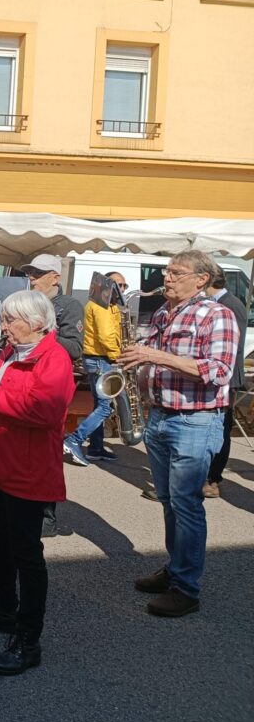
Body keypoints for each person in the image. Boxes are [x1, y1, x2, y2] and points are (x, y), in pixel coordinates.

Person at [0, 290, 75, 676]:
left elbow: (43, 410)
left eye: (11, 321)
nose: (3, 328)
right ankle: (4, 608)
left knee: (27, 554)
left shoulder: (53, 358)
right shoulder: (10, 353)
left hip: (27, 470)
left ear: (37, 324)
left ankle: (29, 638)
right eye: (4, 319)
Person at [118, 250, 238, 618]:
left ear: (201, 279)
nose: (166, 278)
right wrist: (139, 374)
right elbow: (156, 360)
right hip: (161, 417)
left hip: (195, 421)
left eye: (175, 272)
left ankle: (186, 588)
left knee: (186, 504)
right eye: (167, 271)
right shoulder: (163, 313)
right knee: (170, 501)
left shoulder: (218, 315)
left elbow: (219, 371)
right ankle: (175, 569)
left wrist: (155, 357)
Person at [21, 254, 83, 537]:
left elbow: (75, 348)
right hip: (25, 380)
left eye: (38, 273)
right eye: (30, 272)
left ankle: (48, 515)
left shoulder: (68, 306)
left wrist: (41, 333)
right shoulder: (25, 300)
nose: (32, 277)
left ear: (55, 277)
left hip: (52, 383)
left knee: (47, 451)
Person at [63, 272, 127, 465]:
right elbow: (106, 336)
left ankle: (96, 448)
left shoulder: (109, 305)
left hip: (98, 359)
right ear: (108, 285)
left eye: (125, 285)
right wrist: (119, 357)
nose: (123, 289)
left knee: (99, 405)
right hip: (102, 359)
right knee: (105, 408)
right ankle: (74, 440)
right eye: (119, 285)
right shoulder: (102, 305)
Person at [203, 264, 248, 499]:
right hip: (221, 377)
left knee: (220, 430)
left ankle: (212, 478)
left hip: (227, 378)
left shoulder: (230, 305)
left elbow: (233, 348)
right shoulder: (222, 303)